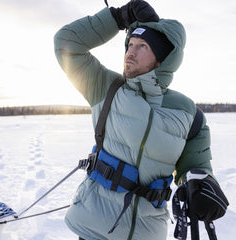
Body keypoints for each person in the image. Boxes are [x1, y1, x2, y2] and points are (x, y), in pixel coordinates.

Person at [54, 1, 228, 240]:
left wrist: (203, 187)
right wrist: (118, 17)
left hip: (148, 233)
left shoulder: (189, 113)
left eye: (142, 46)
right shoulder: (105, 87)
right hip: (94, 229)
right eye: (130, 45)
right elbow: (66, 44)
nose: (130, 52)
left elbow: (196, 169)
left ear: (162, 59)